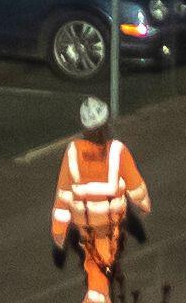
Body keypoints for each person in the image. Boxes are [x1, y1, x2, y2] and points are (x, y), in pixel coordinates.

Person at [52, 96, 148, 299]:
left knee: (98, 277)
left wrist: (59, 239)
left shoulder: (73, 153)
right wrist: (142, 210)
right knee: (99, 286)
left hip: (83, 233)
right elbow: (136, 188)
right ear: (104, 125)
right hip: (108, 233)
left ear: (85, 129)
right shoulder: (117, 151)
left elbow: (63, 199)